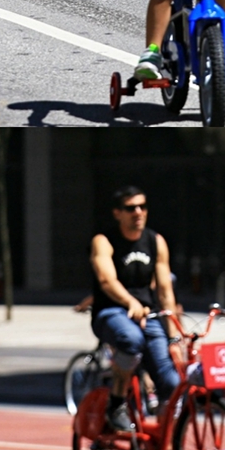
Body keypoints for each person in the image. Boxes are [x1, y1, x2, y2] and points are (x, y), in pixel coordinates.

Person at [89, 185, 181, 433]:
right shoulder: (104, 241)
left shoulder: (155, 241)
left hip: (146, 315)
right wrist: (131, 302)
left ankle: (165, 445)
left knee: (171, 382)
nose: (138, 212)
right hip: (111, 312)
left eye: (142, 207)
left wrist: (173, 337)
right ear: (117, 213)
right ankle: (116, 403)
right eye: (131, 208)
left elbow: (164, 290)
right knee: (131, 339)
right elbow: (106, 280)